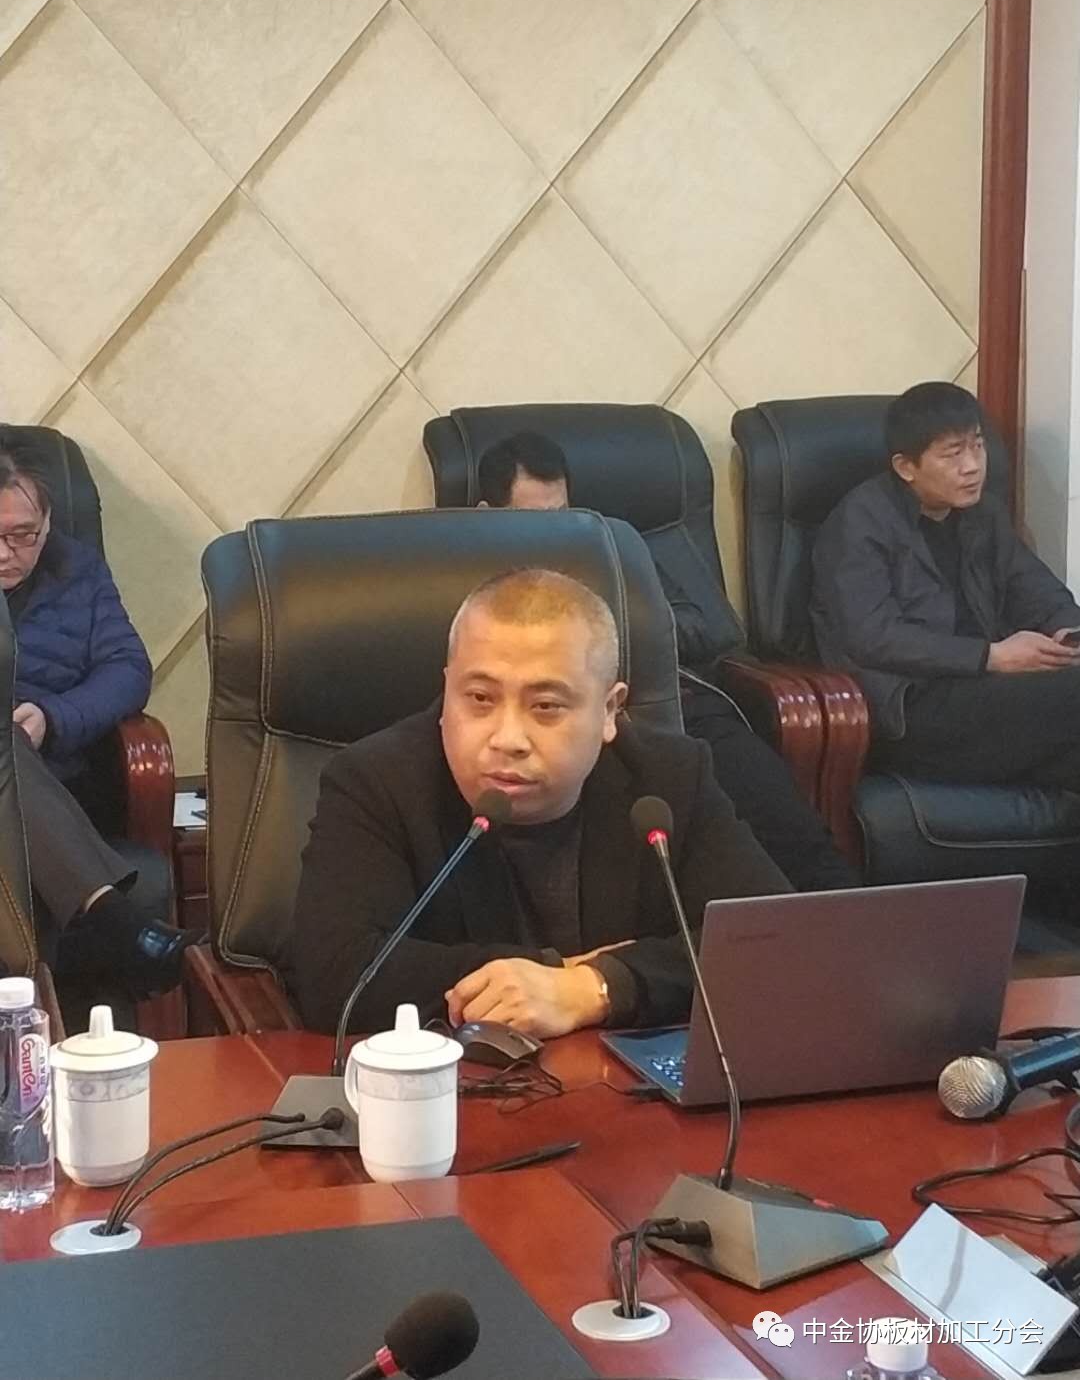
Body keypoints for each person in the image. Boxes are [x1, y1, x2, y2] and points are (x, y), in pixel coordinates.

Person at [290, 569, 789, 1036]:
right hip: (461, 1083)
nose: (507, 738)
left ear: (609, 711)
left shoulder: (669, 779)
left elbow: (775, 942)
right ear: (447, 689)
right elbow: (335, 976)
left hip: (618, 1080)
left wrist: (598, 987)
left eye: (545, 706)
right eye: (479, 698)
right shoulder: (376, 781)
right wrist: (553, 972)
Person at [476, 432, 858, 890]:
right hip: (569, 723)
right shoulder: (467, 575)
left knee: (782, 819)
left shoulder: (607, 548)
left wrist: (619, 623)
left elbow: (712, 626)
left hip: (675, 704)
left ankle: (844, 914)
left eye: (561, 515)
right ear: (487, 514)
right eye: (532, 521)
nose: (552, 535)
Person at [0, 431, 197, 992]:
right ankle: (110, 916)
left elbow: (127, 668)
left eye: (22, 535)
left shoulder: (75, 570)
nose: (5, 553)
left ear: (48, 522)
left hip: (58, 788)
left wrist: (53, 716)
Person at [812, 381, 1080, 786]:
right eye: (953, 453)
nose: (972, 466)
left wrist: (1068, 632)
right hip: (911, 707)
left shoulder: (982, 513)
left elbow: (1034, 587)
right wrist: (989, 656)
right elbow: (871, 636)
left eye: (978, 446)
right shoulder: (860, 522)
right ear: (906, 467)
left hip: (984, 690)